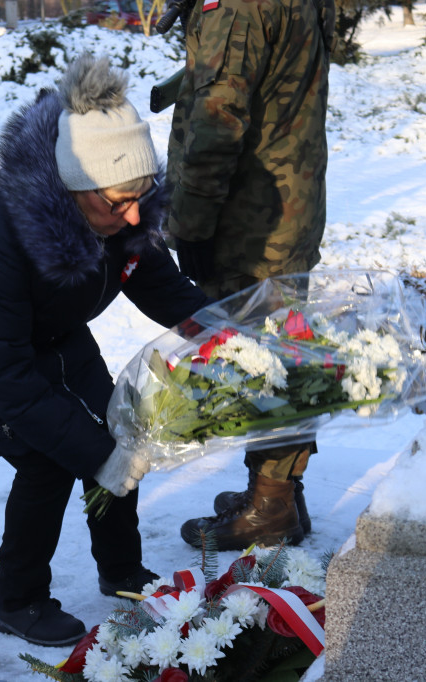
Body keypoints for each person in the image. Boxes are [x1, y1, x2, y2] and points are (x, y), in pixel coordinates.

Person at [0, 54, 210, 648]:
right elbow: (9, 376)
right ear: (73, 187)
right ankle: (18, 600)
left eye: (143, 196)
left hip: (48, 326)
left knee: (120, 430)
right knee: (51, 456)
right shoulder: (5, 227)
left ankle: (121, 572)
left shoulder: (120, 205)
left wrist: (218, 328)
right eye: (119, 202)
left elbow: (152, 277)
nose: (136, 214)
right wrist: (94, 456)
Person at [166, 0, 336, 551]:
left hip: (251, 221)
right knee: (282, 347)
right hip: (285, 206)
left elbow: (217, 121)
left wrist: (191, 225)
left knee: (266, 358)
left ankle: (271, 508)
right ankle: (279, 491)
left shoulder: (235, 7)